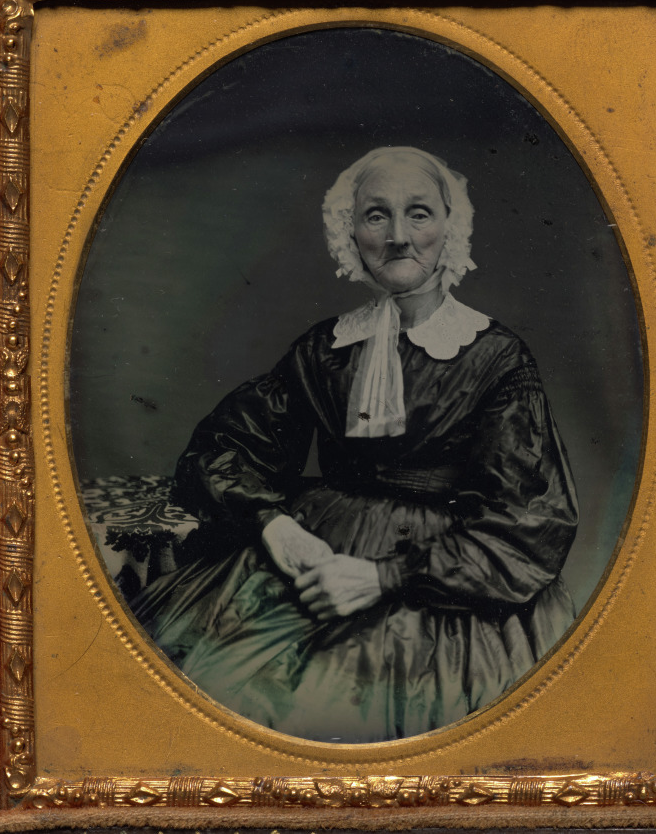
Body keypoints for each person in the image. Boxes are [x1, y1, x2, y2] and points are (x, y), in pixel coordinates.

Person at [131, 146, 579, 743]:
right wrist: (275, 527)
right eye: (376, 215)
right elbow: (226, 449)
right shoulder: (325, 349)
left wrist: (383, 578)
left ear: (450, 227)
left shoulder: (497, 358)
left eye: (418, 213)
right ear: (351, 233)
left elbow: (530, 522)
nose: (398, 237)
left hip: (442, 590)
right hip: (316, 551)